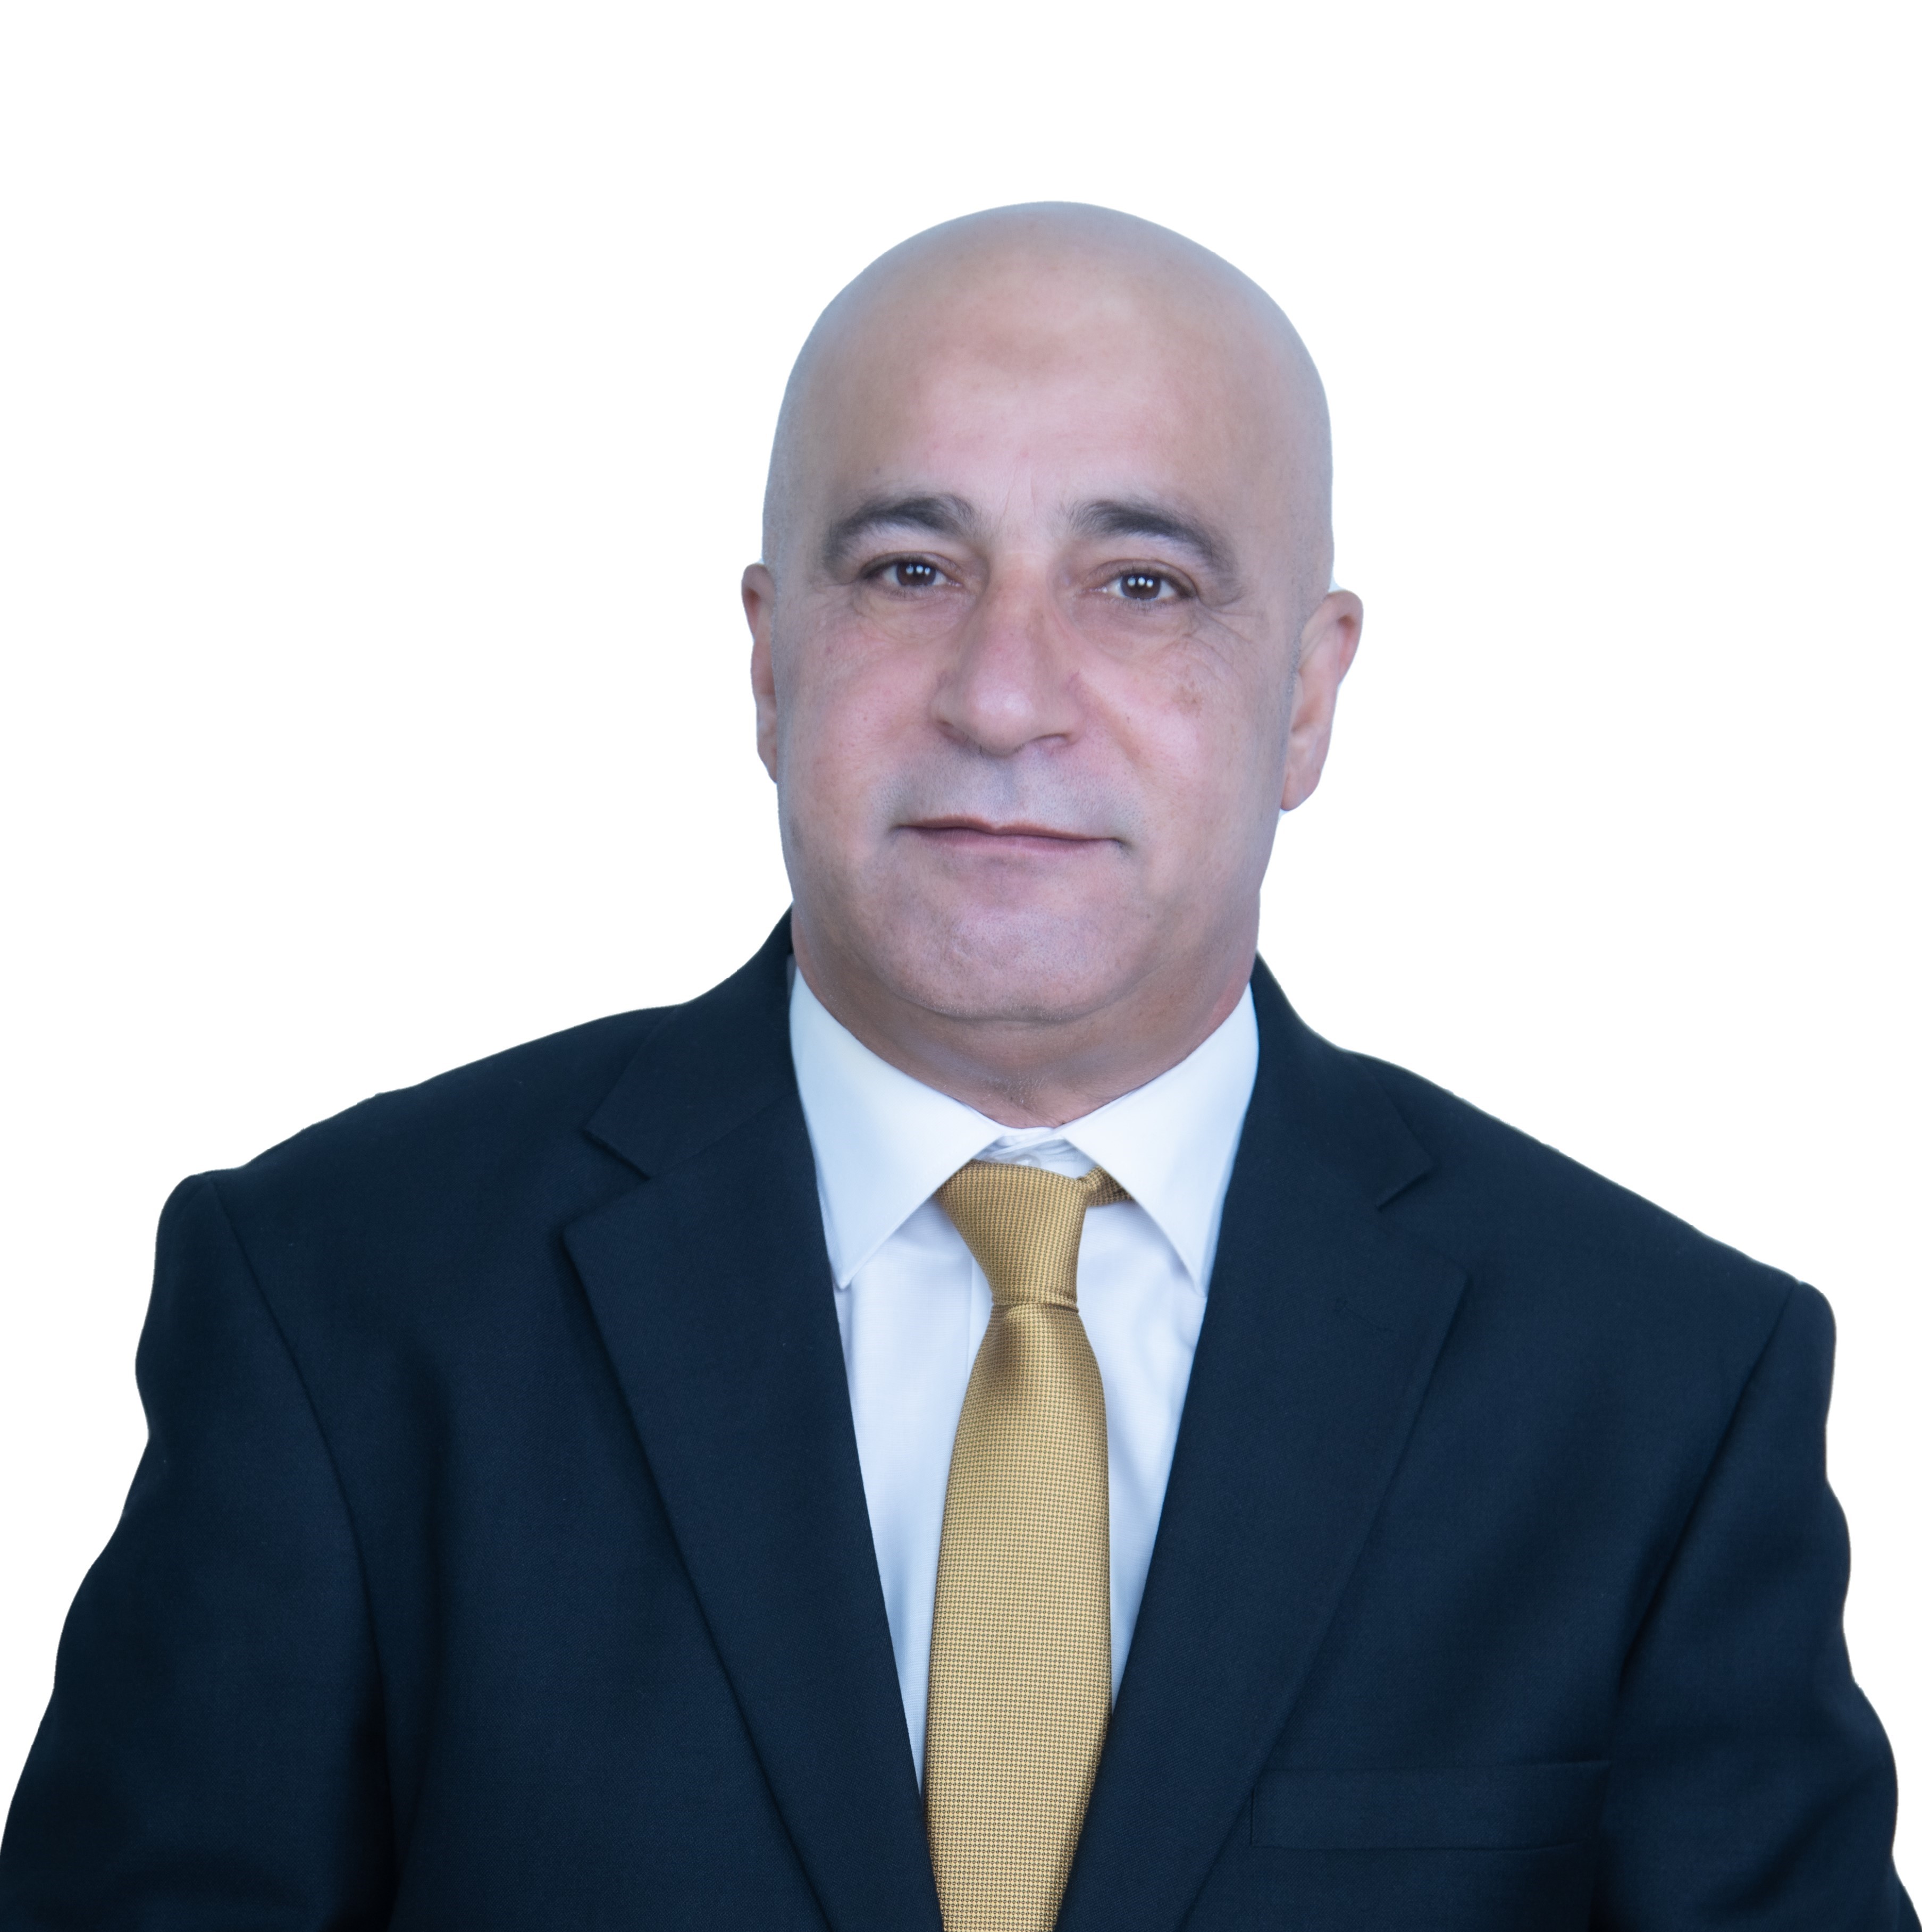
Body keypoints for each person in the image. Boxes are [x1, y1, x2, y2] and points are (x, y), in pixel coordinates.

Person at [0, 203, 1910, 1931]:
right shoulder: (343, 1303)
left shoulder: (1658, 1385)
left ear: (1310, 695)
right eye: (911, 568)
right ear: (771, 661)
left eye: (1141, 584)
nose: (1004, 696)